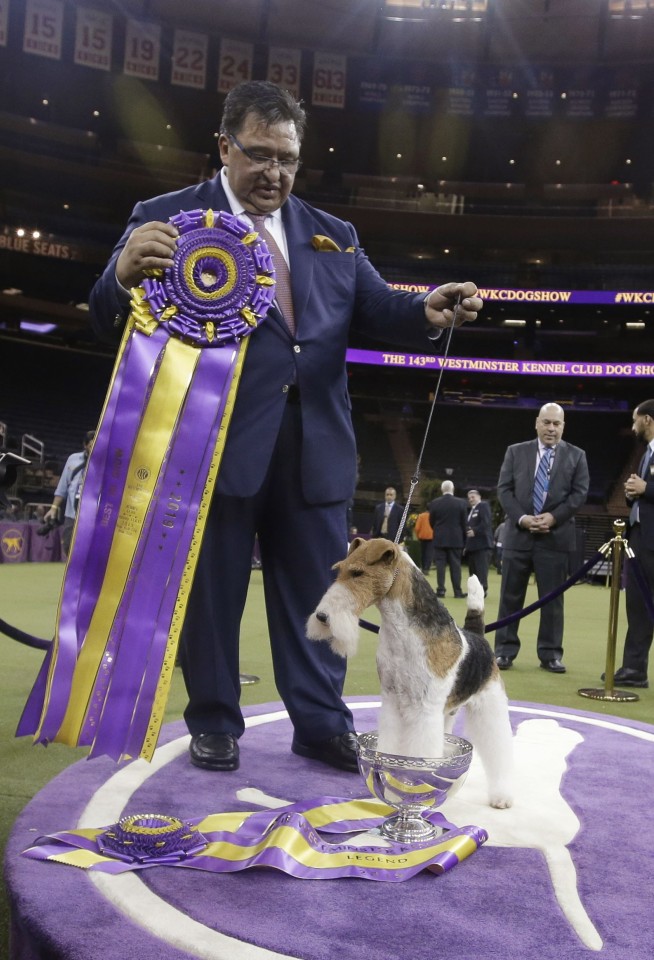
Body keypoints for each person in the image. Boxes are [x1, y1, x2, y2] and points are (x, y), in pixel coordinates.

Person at [88, 80, 483, 774]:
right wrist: (119, 274)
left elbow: (379, 308)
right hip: (210, 447)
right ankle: (213, 721)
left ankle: (321, 724)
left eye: (289, 159)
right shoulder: (168, 217)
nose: (274, 172)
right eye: (260, 154)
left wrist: (427, 309)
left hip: (317, 450)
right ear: (224, 147)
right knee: (209, 594)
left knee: (321, 599)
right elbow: (103, 318)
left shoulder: (335, 234)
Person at [494, 403, 589, 674]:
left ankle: (550, 654)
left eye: (556, 424)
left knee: (552, 600)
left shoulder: (577, 456)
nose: (551, 428)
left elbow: (579, 494)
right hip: (518, 536)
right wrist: (522, 518)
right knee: (510, 598)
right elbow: (504, 489)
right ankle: (504, 651)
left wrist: (553, 518)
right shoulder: (515, 451)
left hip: (555, 538)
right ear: (536, 423)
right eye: (546, 422)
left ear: (563, 426)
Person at [611, 399, 654, 688]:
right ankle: (634, 669)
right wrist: (632, 492)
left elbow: (647, 489)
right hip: (640, 537)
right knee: (637, 605)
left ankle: (634, 668)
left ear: (648, 420)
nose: (632, 425)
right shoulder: (647, 452)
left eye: (635, 419)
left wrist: (646, 488)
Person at [42, 431, 95, 556]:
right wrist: (53, 508)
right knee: (68, 546)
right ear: (85, 445)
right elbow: (62, 487)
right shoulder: (73, 459)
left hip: (93, 516)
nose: (95, 447)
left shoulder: (105, 463)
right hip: (72, 514)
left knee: (90, 551)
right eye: (92, 444)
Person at [428, 480, 468, 598]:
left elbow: (431, 522)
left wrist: (438, 530)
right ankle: (457, 591)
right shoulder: (461, 503)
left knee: (440, 566)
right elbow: (464, 523)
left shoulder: (434, 503)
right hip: (456, 539)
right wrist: (464, 539)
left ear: (442, 490)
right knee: (456, 566)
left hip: (440, 538)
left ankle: (440, 590)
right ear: (453, 489)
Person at [465, 489, 494, 595]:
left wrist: (475, 531)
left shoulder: (483, 506)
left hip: (482, 545)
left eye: (473, 497)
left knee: (481, 569)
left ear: (479, 497)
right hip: (473, 546)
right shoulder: (472, 510)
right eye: (469, 498)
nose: (471, 499)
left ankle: (482, 590)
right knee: (473, 571)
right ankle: (474, 590)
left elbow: (486, 523)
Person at [414, 507, 434, 574]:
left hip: (422, 537)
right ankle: (427, 568)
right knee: (429, 554)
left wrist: (418, 536)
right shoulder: (434, 516)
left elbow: (417, 528)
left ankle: (423, 568)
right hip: (431, 537)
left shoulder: (421, 516)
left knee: (423, 553)